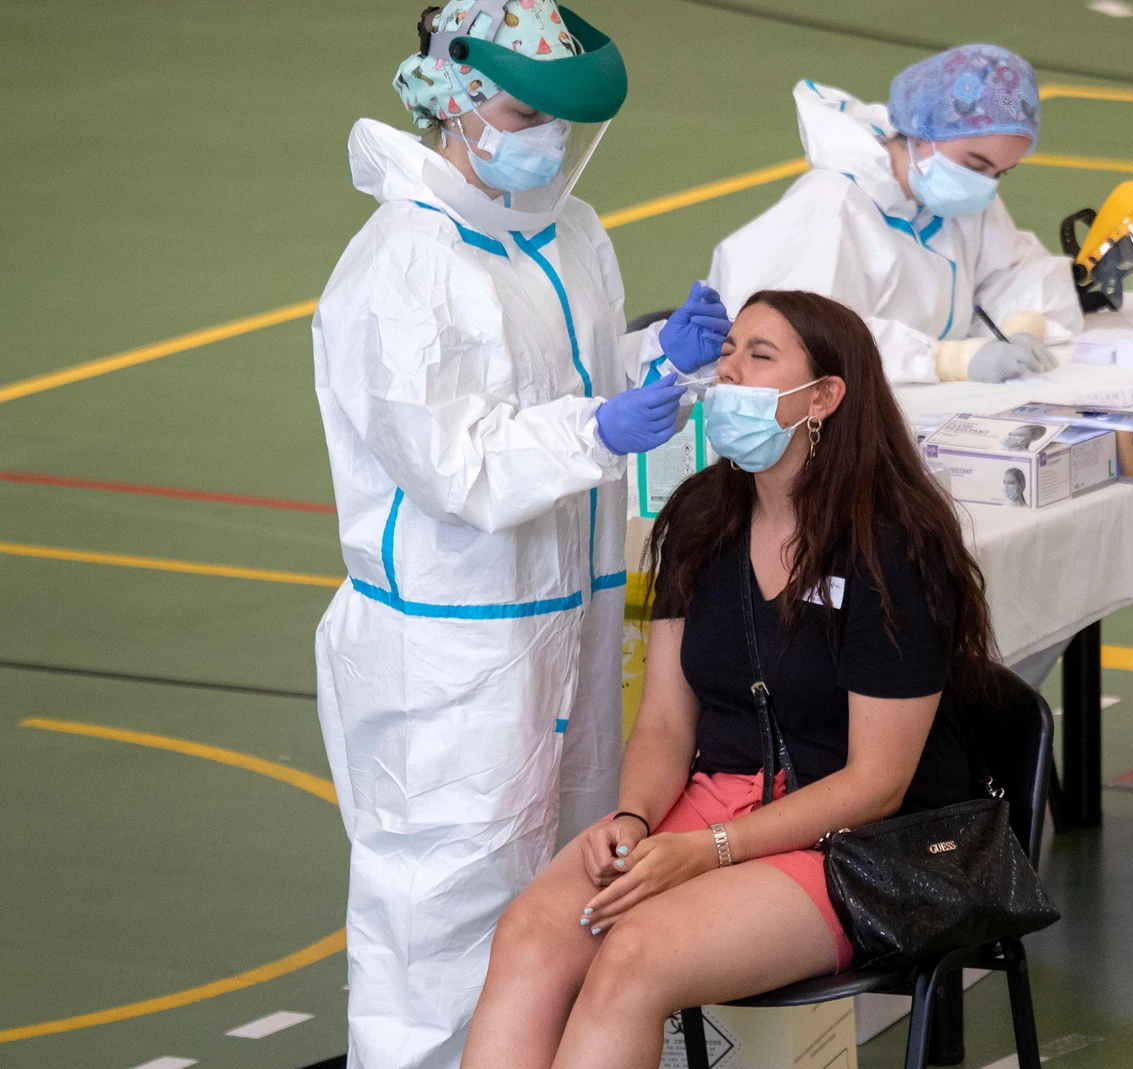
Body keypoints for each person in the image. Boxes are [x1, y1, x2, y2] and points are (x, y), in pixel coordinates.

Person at [311, 4, 732, 1066]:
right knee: (446, 913)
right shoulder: (401, 266)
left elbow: (567, 388)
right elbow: (457, 463)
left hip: (573, 620)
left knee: (571, 887)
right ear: (452, 101)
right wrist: (597, 426)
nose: (545, 139)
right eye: (522, 112)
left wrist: (653, 362)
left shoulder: (565, 228)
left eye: (558, 120)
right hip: (455, 647)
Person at [459, 291, 997, 1069]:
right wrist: (637, 818)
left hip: (861, 844)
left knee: (634, 954)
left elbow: (876, 783)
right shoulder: (699, 519)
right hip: (719, 806)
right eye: (730, 349)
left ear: (824, 397)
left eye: (760, 355)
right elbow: (666, 726)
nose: (727, 370)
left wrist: (711, 849)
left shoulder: (892, 551)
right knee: (534, 929)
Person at [669, 44, 1082, 385]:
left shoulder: (960, 199)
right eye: (975, 166)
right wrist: (945, 361)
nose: (986, 186)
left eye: (1000, 173)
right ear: (922, 134)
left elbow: (1017, 272)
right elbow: (804, 345)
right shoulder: (833, 207)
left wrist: (1024, 325)